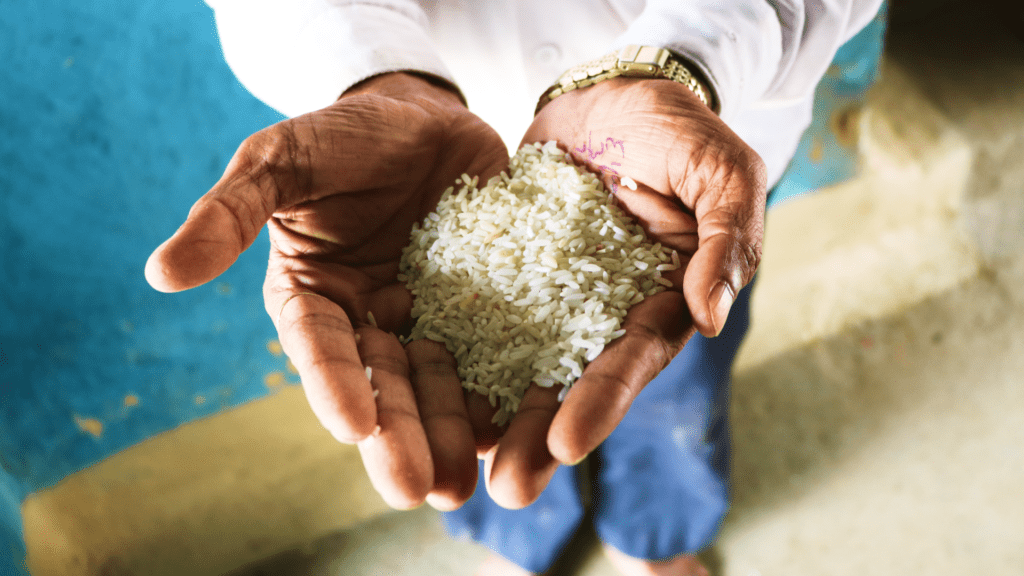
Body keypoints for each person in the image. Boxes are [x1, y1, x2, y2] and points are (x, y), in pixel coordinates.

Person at [145, 1, 885, 574]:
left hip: (688, 156)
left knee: (679, 375)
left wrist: (685, 57)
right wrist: (374, 72)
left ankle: (656, 532)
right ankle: (523, 537)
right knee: (473, 419)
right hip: (424, 145)